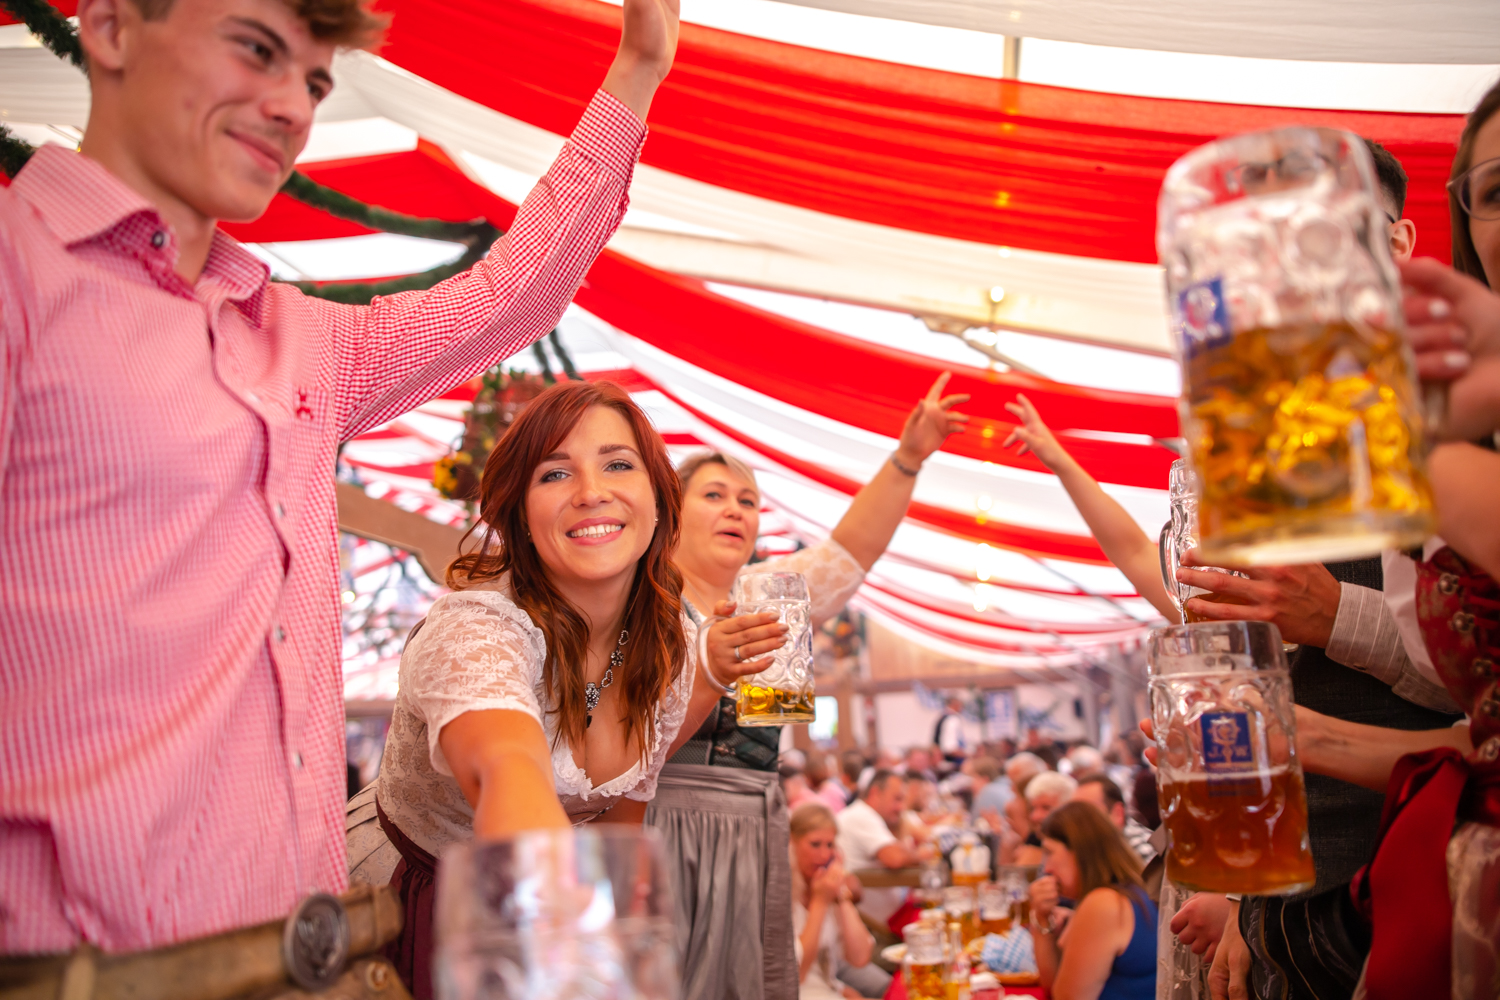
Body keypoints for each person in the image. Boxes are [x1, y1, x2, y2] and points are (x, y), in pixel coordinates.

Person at [0, 0, 679, 953]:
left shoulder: (299, 339)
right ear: (109, 28)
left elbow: (510, 293)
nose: (291, 105)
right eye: (256, 49)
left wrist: (636, 71)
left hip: (303, 944)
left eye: (315, 82)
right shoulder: (19, 273)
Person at [369, 382, 776, 998]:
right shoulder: (476, 628)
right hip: (420, 908)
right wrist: (571, 955)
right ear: (522, 517)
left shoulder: (665, 641)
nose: (592, 492)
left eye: (618, 464)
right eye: (555, 474)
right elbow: (508, 769)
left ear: (660, 502)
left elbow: (622, 817)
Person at [646, 376, 967, 1000]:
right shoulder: (646, 600)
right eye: (715, 495)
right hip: (669, 818)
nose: (737, 509)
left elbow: (851, 552)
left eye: (748, 500)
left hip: (759, 814)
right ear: (672, 512)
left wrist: (908, 459)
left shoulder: (773, 591)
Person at [1028, 802, 1158, 1000]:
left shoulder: (1104, 904)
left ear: (1079, 850)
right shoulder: (1131, 893)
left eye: (1049, 852)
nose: (1047, 868)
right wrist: (1042, 919)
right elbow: (1053, 986)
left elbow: (1062, 997)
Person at [789, 803, 883, 1000]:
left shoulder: (827, 889)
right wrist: (820, 903)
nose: (824, 855)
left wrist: (840, 895)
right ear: (792, 843)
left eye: (830, 845)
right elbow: (795, 974)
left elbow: (860, 958)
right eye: (815, 844)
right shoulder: (782, 896)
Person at [836, 770, 926, 928]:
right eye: (897, 799)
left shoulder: (866, 815)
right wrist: (924, 854)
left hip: (892, 916)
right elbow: (895, 857)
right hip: (880, 926)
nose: (901, 807)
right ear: (875, 793)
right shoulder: (861, 815)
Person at [1073, 774, 1154, 862]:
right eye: (1075, 813)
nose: (1078, 822)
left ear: (1118, 813)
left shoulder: (1142, 850)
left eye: (1089, 814)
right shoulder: (1087, 847)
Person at [934, 695, 968, 764]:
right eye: (961, 705)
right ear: (954, 705)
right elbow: (950, 748)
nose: (962, 708)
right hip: (953, 761)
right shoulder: (952, 719)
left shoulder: (944, 717)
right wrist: (969, 756)